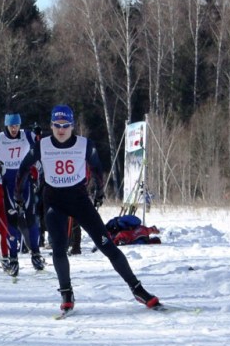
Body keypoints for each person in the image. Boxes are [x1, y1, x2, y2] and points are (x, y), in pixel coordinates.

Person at [14, 105, 160, 313]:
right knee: (58, 249)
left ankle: (137, 289)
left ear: (72, 126)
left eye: (65, 125)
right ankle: (66, 293)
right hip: (54, 202)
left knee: (107, 245)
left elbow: (98, 168)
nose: (61, 129)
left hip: (80, 201)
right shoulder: (42, 145)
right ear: (51, 125)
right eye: (57, 125)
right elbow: (23, 168)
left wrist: (100, 192)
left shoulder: (84, 144)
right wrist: (18, 195)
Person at [0, 112, 44, 276]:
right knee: (12, 220)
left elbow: (40, 145)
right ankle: (13, 257)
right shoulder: (0, 138)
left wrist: (38, 134)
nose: (15, 129)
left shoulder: (26, 135)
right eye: (11, 126)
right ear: (6, 126)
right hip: (8, 184)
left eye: (17, 125)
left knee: (31, 218)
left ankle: (36, 254)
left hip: (24, 182)